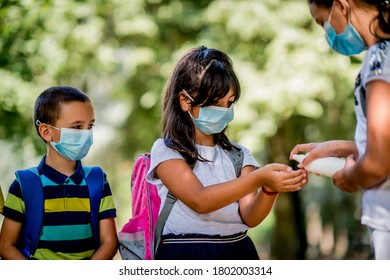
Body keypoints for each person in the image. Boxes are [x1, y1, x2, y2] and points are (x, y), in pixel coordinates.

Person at [145, 46, 307, 260]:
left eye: (229, 103)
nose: (223, 111)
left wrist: (269, 189)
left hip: (237, 251)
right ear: (185, 101)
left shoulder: (239, 155)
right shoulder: (167, 150)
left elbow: (250, 217)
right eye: (214, 102)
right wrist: (259, 177)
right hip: (185, 254)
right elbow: (200, 200)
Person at [290, 0, 390, 260]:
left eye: (322, 21)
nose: (327, 32)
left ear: (342, 6)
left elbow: (378, 165)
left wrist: (349, 176)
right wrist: (341, 147)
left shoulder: (379, 59)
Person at [0, 86, 118, 260]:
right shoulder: (24, 183)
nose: (86, 134)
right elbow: (5, 246)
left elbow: (109, 242)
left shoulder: (97, 180)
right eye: (77, 127)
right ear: (46, 132)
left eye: (90, 126)